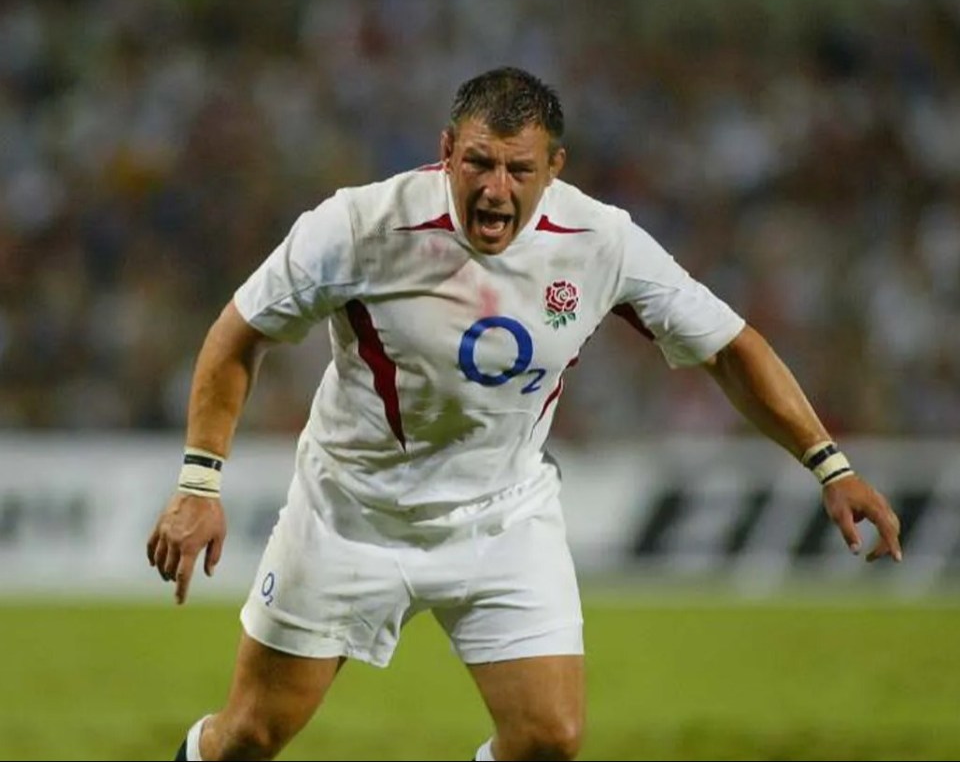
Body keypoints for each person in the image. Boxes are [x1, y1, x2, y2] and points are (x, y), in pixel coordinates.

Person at [146, 66, 903, 762]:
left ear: (555, 168)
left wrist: (828, 462)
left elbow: (730, 348)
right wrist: (199, 481)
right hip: (352, 511)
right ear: (446, 151)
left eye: (519, 168)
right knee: (249, 735)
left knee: (548, 738)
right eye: (478, 162)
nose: (496, 189)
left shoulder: (601, 241)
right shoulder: (359, 227)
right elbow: (237, 334)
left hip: (501, 515)